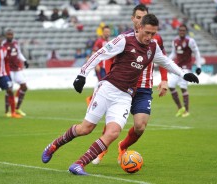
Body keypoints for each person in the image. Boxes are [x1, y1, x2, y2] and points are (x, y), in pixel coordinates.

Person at [41, 14, 199, 175]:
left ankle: (79, 164)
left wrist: (184, 74)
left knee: (113, 133)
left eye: (153, 34)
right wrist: (82, 74)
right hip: (108, 88)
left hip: (125, 96)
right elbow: (99, 54)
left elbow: (166, 61)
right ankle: (54, 145)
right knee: (85, 128)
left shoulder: (153, 46)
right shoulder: (124, 40)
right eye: (147, 33)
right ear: (140, 28)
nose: (150, 37)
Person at [92, 3, 169, 165]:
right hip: (121, 86)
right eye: (138, 18)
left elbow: (163, 59)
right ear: (133, 19)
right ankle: (103, 148)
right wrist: (108, 78)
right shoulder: (124, 38)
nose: (140, 21)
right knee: (111, 123)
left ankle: (123, 146)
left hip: (143, 87)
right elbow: (109, 58)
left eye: (144, 17)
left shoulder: (155, 38)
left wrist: (164, 79)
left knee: (140, 126)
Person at [168, 24, 201, 117]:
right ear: (178, 31)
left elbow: (196, 52)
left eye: (183, 30)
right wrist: (166, 61)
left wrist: (198, 66)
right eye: (180, 30)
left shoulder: (190, 41)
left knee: (183, 87)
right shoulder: (175, 40)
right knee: (170, 85)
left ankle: (186, 111)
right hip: (177, 67)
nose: (181, 32)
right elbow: (173, 53)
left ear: (186, 31)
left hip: (186, 67)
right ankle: (180, 108)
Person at [0, 34, 22, 118]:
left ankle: (13, 113)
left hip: (3, 75)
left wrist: (8, 75)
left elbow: (6, 63)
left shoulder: (4, 50)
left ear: (1, 42)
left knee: (10, 90)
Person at [2, 29, 29, 117]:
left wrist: (24, 61)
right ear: (6, 35)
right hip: (8, 69)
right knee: (9, 90)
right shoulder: (3, 44)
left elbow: (19, 53)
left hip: (17, 69)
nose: (10, 36)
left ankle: (17, 108)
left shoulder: (15, 43)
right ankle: (7, 111)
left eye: (11, 34)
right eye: (8, 34)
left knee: (24, 87)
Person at [86, 25, 112, 105]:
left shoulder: (109, 42)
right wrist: (96, 64)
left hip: (107, 67)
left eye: (108, 32)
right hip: (100, 67)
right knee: (102, 84)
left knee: (105, 85)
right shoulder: (99, 41)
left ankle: (99, 102)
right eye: (106, 32)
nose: (107, 33)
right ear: (103, 32)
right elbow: (94, 53)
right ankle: (91, 99)